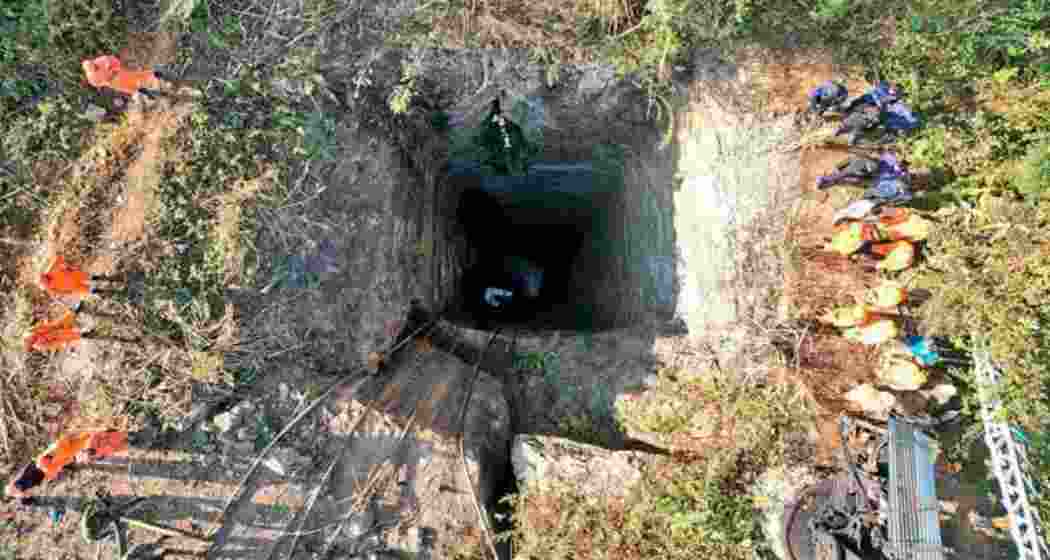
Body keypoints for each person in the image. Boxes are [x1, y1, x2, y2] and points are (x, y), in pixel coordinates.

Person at [39, 255, 123, 310]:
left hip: (76, 275)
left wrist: (67, 267)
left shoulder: (51, 269)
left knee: (94, 277)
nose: (46, 281)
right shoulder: (49, 288)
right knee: (93, 290)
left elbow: (59, 258)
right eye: (44, 283)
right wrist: (68, 293)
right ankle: (113, 292)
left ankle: (113, 279)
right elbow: (58, 294)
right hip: (75, 287)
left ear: (45, 275)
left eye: (44, 279)